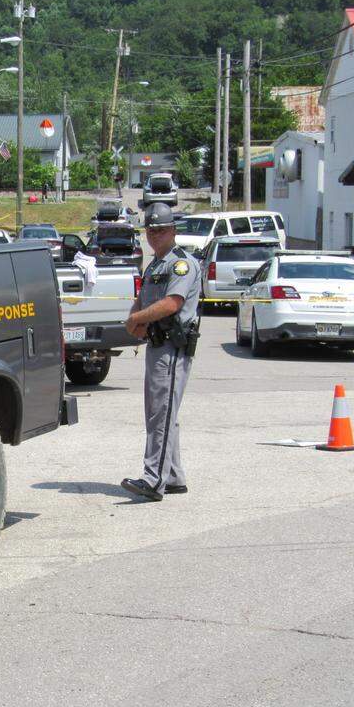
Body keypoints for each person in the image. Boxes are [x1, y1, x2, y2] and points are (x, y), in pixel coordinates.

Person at [121, 203, 201, 501]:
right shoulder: (155, 265)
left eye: (161, 230)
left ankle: (153, 479)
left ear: (173, 231)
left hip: (172, 346)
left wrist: (136, 320)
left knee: (161, 414)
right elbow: (142, 302)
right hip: (156, 344)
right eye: (151, 230)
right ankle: (174, 476)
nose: (155, 235)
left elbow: (172, 304)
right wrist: (134, 321)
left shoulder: (181, 264)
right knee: (163, 413)